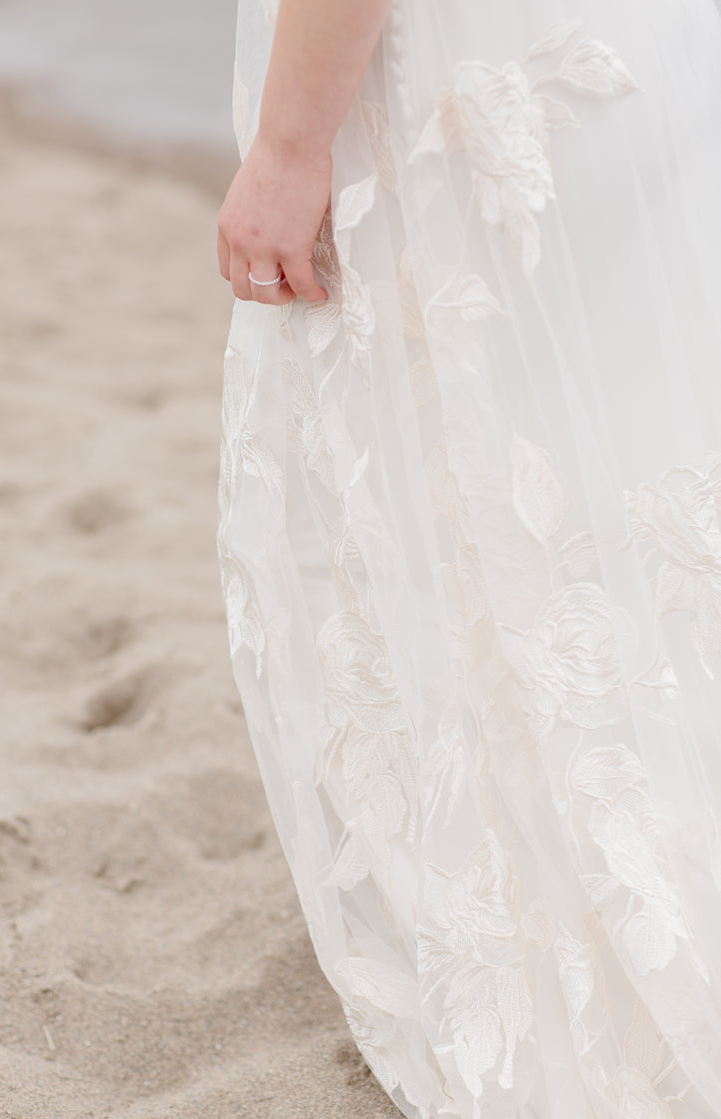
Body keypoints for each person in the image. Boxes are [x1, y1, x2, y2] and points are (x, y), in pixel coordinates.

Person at [216, 0, 721, 1115]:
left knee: (480, 523)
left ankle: (611, 954)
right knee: (633, 488)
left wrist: (290, 145)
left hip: (464, 85)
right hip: (640, 59)